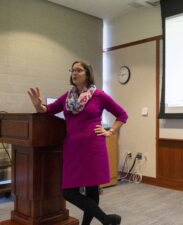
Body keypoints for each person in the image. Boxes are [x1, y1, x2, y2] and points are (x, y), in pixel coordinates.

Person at [27, 60, 128, 225]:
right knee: (68, 191)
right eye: (72, 70)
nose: (74, 73)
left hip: (93, 148)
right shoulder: (68, 97)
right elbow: (48, 109)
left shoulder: (99, 95)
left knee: (92, 191)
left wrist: (110, 131)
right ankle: (108, 219)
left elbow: (122, 115)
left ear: (87, 74)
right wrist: (39, 106)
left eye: (78, 70)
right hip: (73, 149)